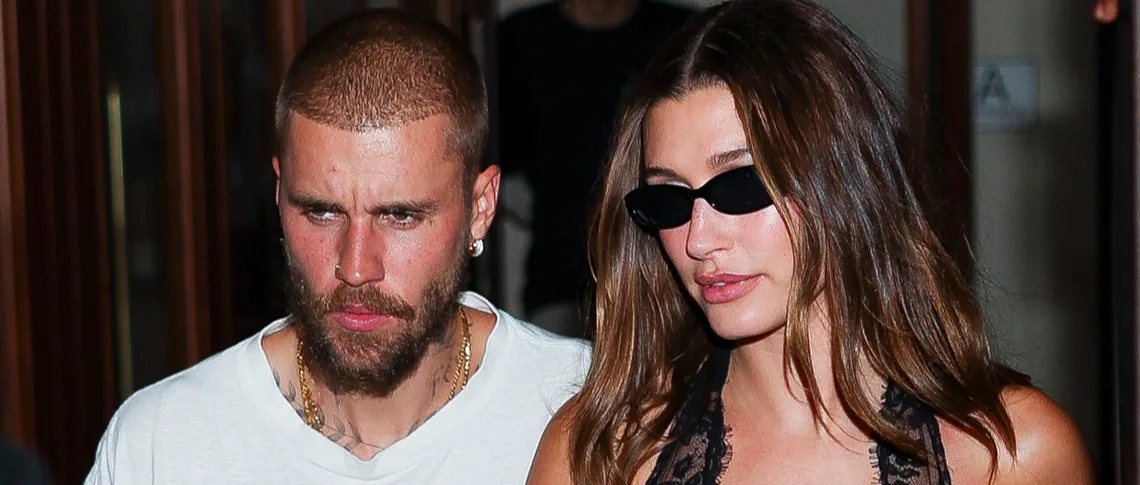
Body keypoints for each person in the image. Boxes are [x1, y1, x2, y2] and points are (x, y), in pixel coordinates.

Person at [527, 1, 1093, 484]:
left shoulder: (1012, 454)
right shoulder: (596, 455)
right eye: (669, 199)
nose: (699, 238)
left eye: (740, 184)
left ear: (843, 182)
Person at [85, 9, 589, 484]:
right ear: (279, 194)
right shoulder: (162, 444)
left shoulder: (593, 408)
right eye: (322, 213)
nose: (355, 266)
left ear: (480, 207)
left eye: (400, 216)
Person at [497, 0, 693, 336]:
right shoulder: (522, 36)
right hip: (558, 279)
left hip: (661, 278)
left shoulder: (678, 33)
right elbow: (502, 162)